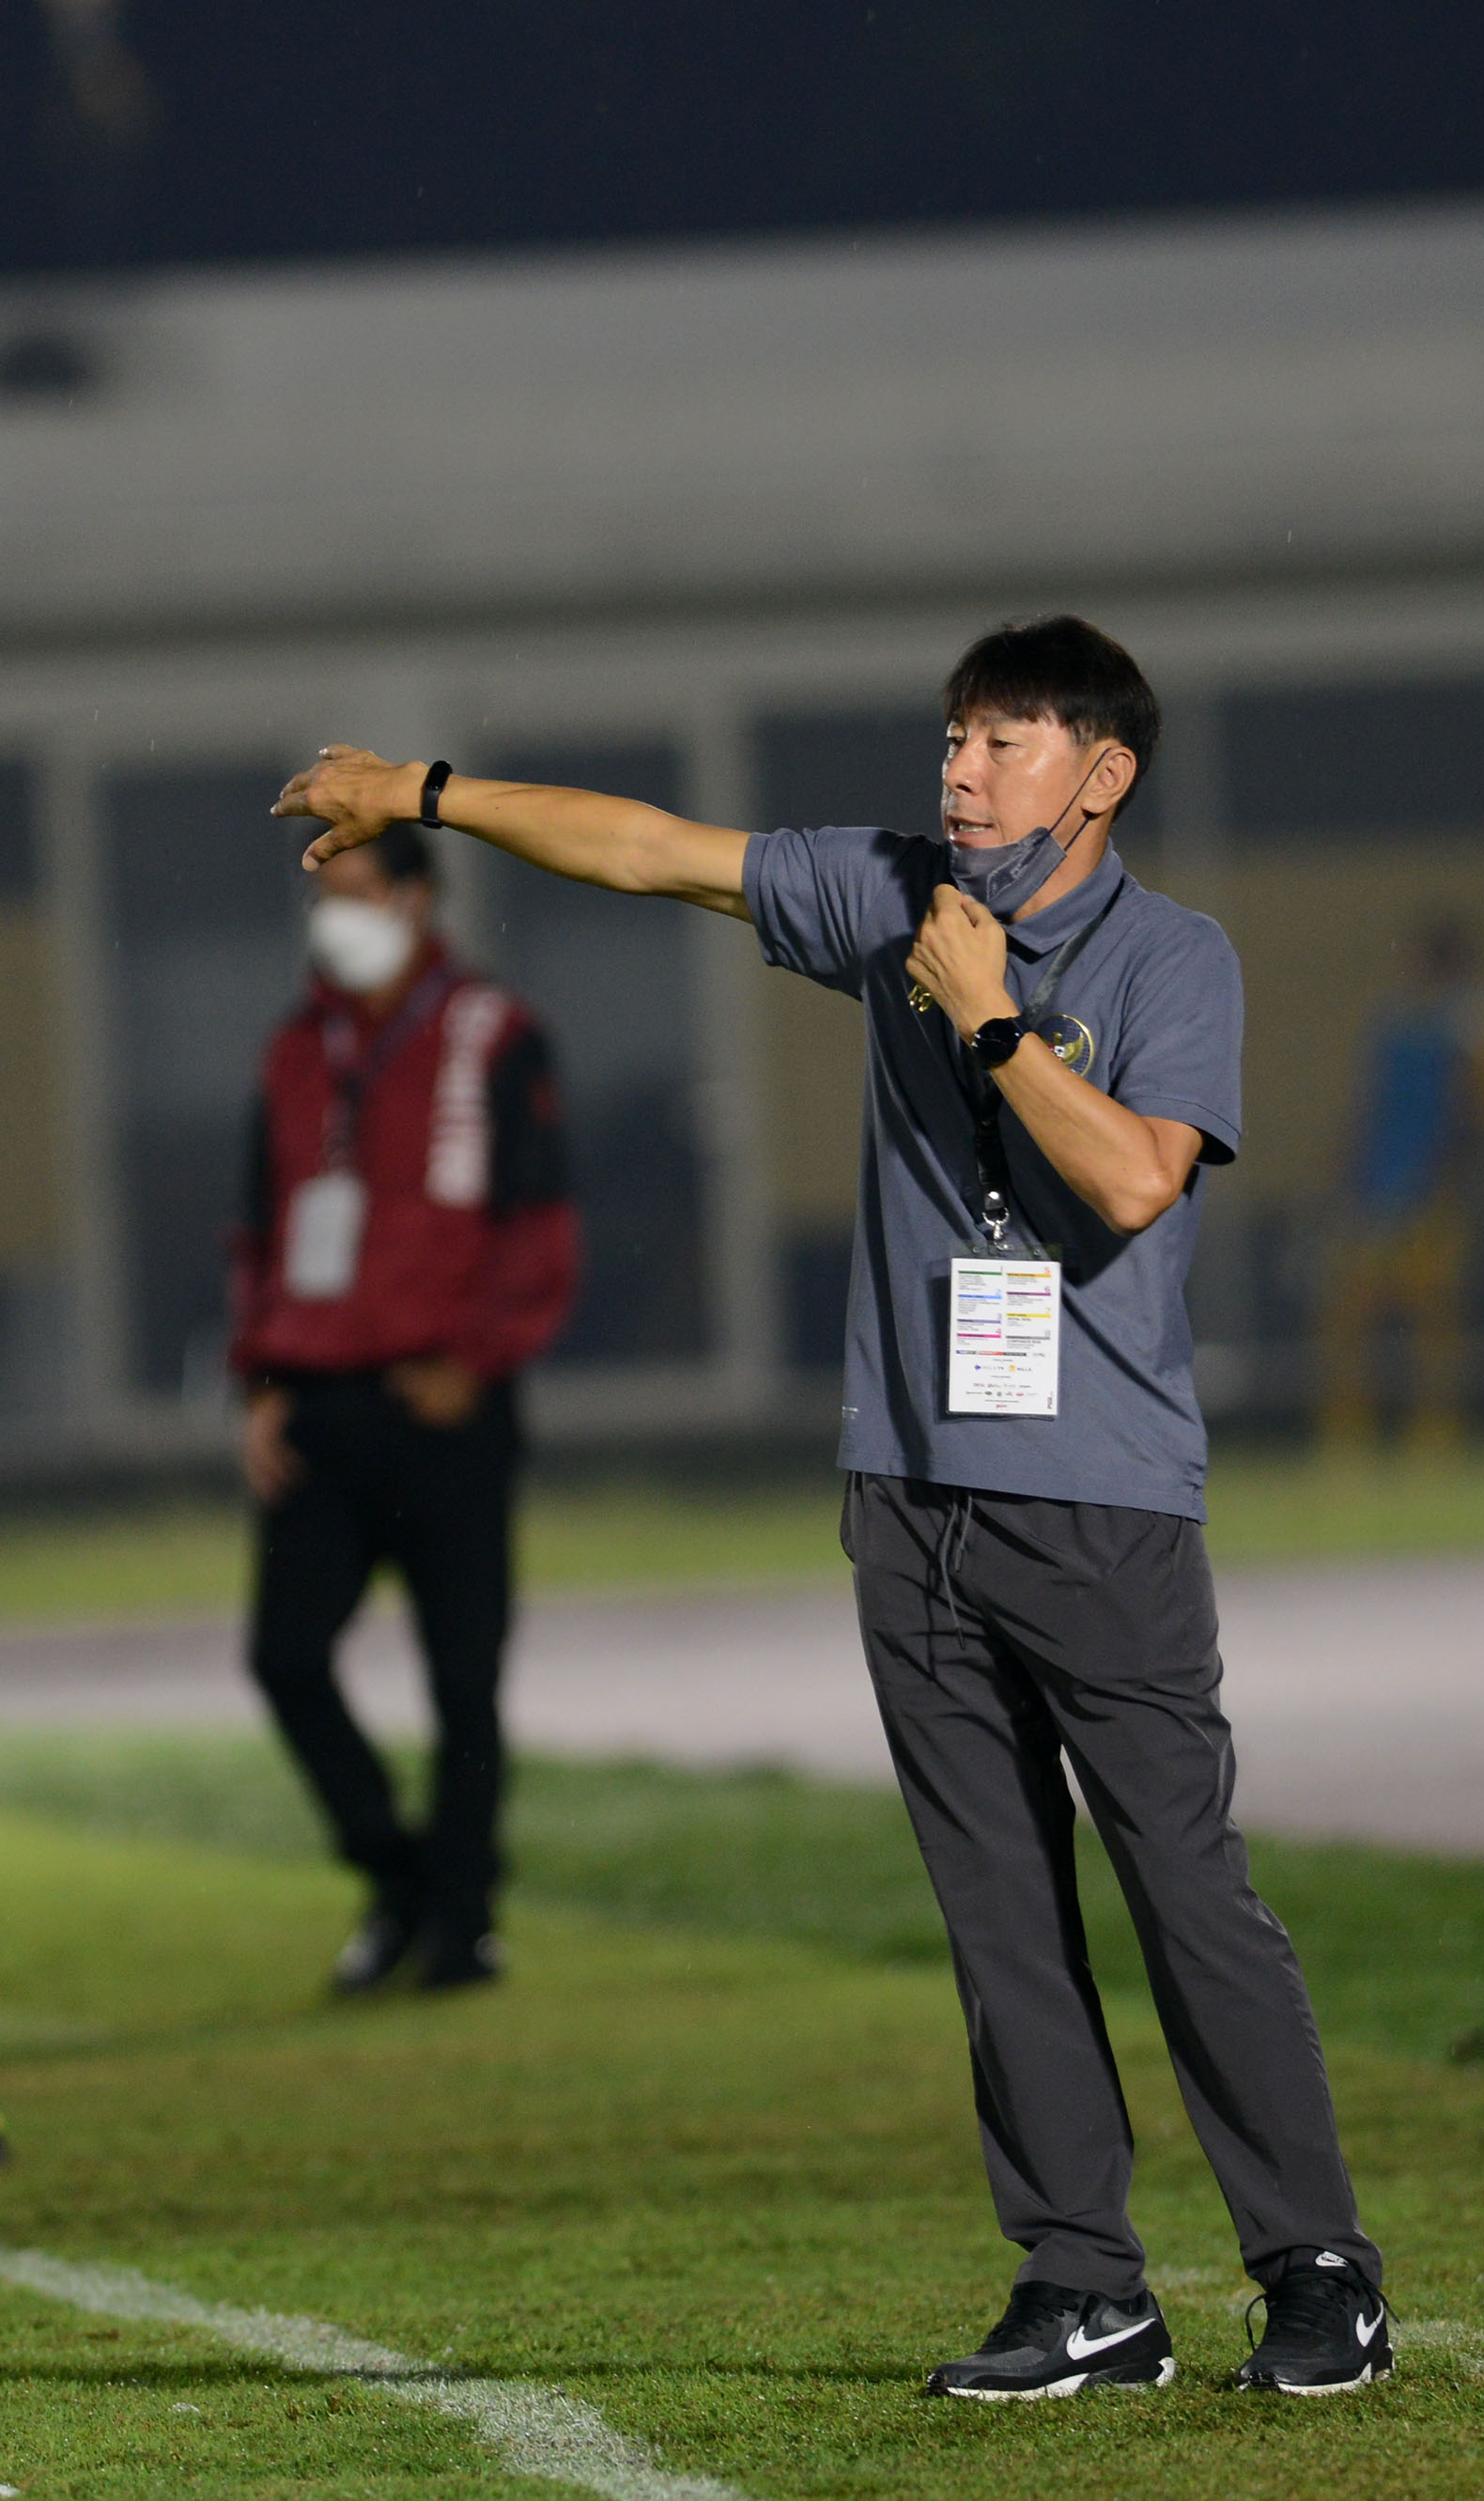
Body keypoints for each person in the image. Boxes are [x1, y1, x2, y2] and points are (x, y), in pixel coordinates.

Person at [273, 616, 1392, 2403]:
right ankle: (1085, 2284)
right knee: (999, 1913)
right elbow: (648, 848)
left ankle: (1319, 2268)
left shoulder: (1174, 956)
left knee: (1187, 1889)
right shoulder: (889, 892)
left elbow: (1131, 1179)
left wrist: (990, 1015)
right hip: (910, 1498)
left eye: (1004, 743)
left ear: (1102, 775)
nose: (961, 772)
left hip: (1098, 1504)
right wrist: (427, 791)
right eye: (953, 739)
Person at [231, 819, 577, 1996]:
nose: (333, 915)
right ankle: (399, 1875)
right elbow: (258, 1227)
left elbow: (538, 1223)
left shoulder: (492, 1032)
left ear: (417, 898)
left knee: (463, 1680)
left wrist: (476, 1360)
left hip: (445, 1406)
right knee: (285, 1658)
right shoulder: (298, 1045)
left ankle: (461, 1925)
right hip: (319, 1400)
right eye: (322, 892)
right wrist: (259, 1384)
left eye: (356, 889)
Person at [1315, 909, 1484, 1461]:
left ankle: (1434, 1439)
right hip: (1379, 1187)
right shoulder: (1394, 1020)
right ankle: (1348, 1436)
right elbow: (1368, 1104)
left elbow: (1479, 1117)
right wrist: (1347, 1171)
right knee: (1350, 1311)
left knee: (1433, 1317)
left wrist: (1450, 1185)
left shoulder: (1477, 1026)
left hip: (1435, 1191)